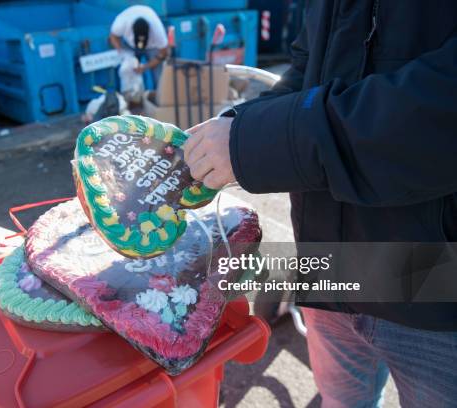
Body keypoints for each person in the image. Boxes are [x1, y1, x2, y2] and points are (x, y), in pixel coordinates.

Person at [183, 2, 457, 407]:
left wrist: (253, 142)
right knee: (341, 400)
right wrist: (233, 126)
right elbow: (306, 71)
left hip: (435, 282)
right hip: (329, 265)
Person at [109, 5, 168, 85]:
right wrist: (121, 52)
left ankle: (161, 94)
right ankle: (131, 94)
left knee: (159, 74)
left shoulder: (157, 30)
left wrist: (145, 67)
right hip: (130, 45)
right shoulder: (121, 23)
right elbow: (113, 37)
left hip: (153, 47)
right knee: (128, 69)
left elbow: (163, 53)